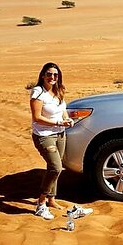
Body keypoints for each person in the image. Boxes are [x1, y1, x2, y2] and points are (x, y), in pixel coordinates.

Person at [29, 62, 74, 220]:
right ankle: (41, 204)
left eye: (55, 75)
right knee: (56, 167)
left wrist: (66, 119)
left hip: (60, 134)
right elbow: (37, 117)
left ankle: (51, 199)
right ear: (43, 75)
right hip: (44, 135)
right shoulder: (38, 92)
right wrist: (58, 123)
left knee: (53, 166)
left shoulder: (59, 91)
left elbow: (62, 112)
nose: (52, 77)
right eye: (49, 74)